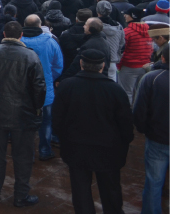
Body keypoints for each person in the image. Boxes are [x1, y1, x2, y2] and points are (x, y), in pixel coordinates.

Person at [53, 48, 134, 214]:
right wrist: (124, 143)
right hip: (108, 149)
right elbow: (125, 124)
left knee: (81, 191)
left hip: (77, 148)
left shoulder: (67, 86)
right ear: (103, 66)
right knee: (110, 190)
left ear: (81, 64)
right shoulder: (115, 90)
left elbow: (57, 120)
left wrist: (65, 139)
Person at [0, 21, 46, 207]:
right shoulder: (30, 56)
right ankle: (20, 195)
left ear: (4, 34)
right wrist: (35, 108)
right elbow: (39, 87)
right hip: (23, 115)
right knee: (23, 157)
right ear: (21, 35)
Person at [21, 14, 63, 161]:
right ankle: (45, 150)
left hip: (23, 90)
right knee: (46, 122)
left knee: (26, 124)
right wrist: (48, 77)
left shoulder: (19, 42)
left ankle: (28, 153)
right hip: (46, 90)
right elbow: (59, 65)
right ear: (40, 26)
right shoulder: (51, 42)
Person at [132, 45, 169, 214]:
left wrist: (144, 129)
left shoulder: (152, 78)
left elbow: (139, 110)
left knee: (154, 182)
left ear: (162, 58)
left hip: (157, 138)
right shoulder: (152, 78)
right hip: (157, 138)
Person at [119, 6, 153, 104]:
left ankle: (127, 114)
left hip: (129, 66)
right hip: (145, 66)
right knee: (140, 93)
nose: (125, 16)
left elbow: (122, 49)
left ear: (132, 16)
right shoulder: (149, 31)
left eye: (127, 14)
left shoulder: (127, 32)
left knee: (126, 92)